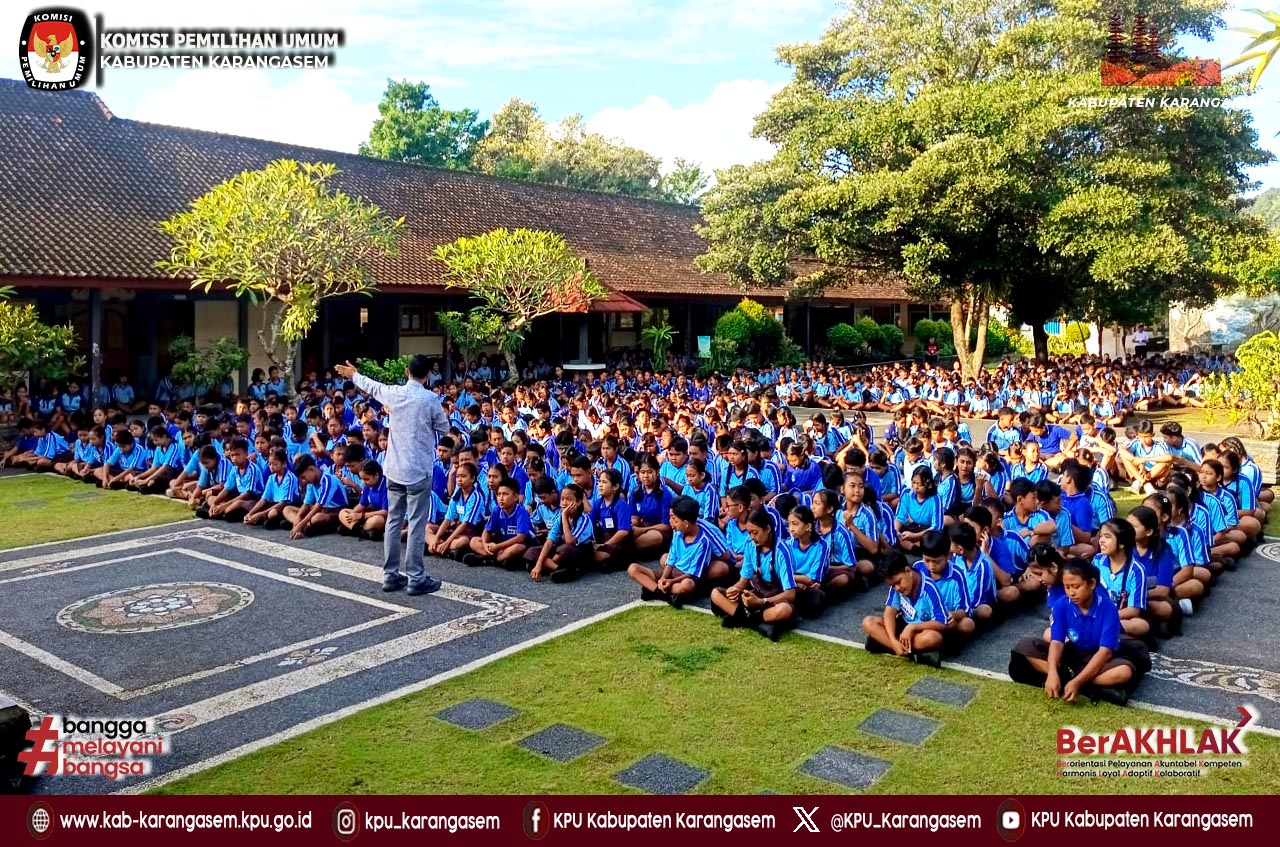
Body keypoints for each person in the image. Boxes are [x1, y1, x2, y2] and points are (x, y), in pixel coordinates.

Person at [334, 357, 451, 596]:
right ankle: (416, 577)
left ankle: (390, 575)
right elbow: (445, 428)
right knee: (417, 523)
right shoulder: (430, 399)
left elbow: (373, 386)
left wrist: (354, 375)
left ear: (407, 371)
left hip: (394, 470)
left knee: (394, 521)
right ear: (428, 375)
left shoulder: (395, 393)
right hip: (418, 470)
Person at [1009, 558, 1147, 706]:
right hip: (1071, 653)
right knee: (1024, 646)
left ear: (1092, 584)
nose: (1071, 592)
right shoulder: (1061, 605)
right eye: (1067, 587)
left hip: (1098, 657)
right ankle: (1084, 683)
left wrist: (1077, 682)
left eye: (1076, 586)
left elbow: (1105, 652)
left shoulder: (1108, 609)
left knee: (1123, 672)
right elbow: (1056, 643)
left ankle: (1075, 681)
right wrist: (1053, 672)